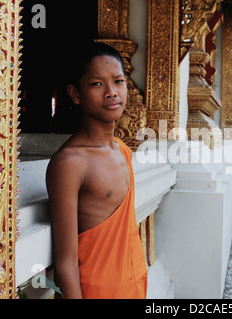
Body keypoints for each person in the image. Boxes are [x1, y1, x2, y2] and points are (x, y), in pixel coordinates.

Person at [46, 42, 148, 299]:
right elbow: (65, 263)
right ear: (75, 93)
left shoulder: (124, 151)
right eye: (97, 84)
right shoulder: (70, 163)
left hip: (133, 286)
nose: (112, 92)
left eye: (119, 81)